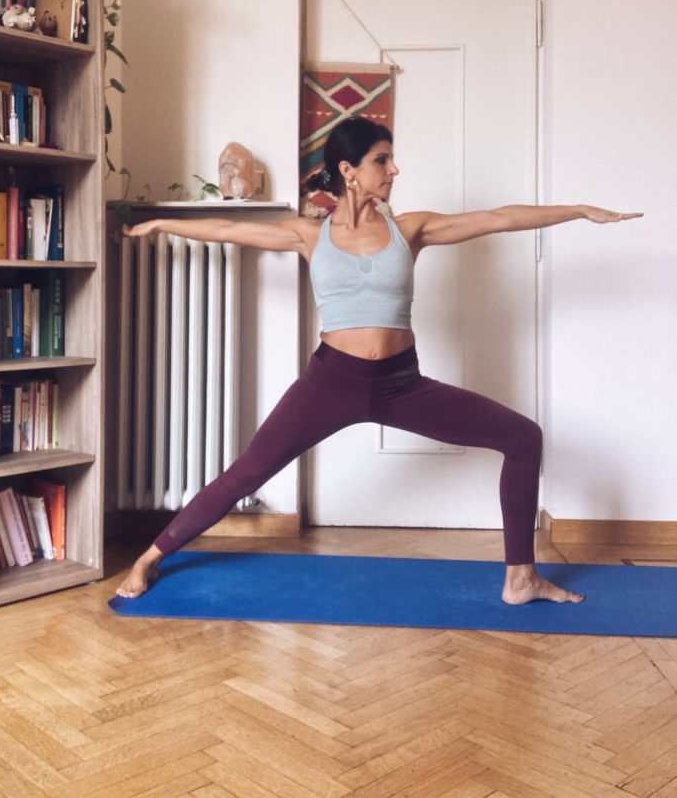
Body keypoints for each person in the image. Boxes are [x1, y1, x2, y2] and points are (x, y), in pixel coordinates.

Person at [115, 117, 642, 605]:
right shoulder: (310, 234)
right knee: (246, 474)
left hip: (401, 384)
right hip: (330, 382)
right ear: (349, 171)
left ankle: (520, 576)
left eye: (391, 160)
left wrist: (577, 210)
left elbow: (498, 218)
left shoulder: (408, 230)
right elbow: (228, 230)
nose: (393, 170)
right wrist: (161, 223)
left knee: (523, 437)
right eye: (382, 160)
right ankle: (150, 557)